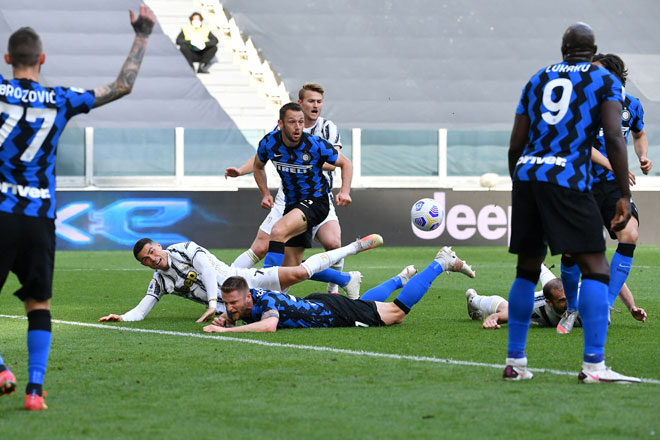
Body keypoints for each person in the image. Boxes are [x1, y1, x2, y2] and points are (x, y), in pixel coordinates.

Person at [0, 5, 156, 410]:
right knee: (39, 305)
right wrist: (141, 35)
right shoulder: (58, 99)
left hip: (0, 212)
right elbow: (121, 86)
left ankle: (1, 368)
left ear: (7, 60)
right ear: (43, 60)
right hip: (38, 217)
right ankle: (34, 392)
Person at [505, 23, 639, 383]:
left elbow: (516, 141)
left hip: (529, 174)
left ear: (563, 49)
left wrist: (516, 179)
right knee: (595, 266)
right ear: (592, 50)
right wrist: (623, 194)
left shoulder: (538, 78)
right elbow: (613, 134)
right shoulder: (603, 80)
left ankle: (515, 363)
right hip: (566, 177)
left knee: (526, 269)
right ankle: (594, 365)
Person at [558, 53, 651, 334]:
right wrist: (613, 162)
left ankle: (604, 305)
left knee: (630, 234)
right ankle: (572, 309)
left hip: (611, 185)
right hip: (580, 181)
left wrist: (643, 156)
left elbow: (639, 134)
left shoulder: (631, 105)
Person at [227, 83, 347, 294]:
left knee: (333, 243)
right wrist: (241, 171)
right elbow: (261, 159)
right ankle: (226, 281)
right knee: (266, 248)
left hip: (318, 194)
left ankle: (333, 288)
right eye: (311, 101)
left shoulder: (325, 130)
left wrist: (309, 163)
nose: (315, 105)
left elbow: (337, 161)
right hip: (288, 197)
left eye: (319, 102)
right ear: (299, 103)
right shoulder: (279, 132)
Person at [98, 234, 381, 323]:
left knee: (300, 272)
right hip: (237, 306)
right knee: (294, 288)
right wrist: (123, 317)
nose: (151, 259)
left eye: (151, 252)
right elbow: (143, 308)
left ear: (158, 246)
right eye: (145, 260)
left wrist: (211, 301)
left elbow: (208, 272)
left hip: (244, 281)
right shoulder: (159, 281)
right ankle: (346, 280)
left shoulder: (183, 248)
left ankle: (353, 249)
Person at [202, 247, 474, 333]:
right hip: (319, 304)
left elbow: (269, 326)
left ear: (248, 295)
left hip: (331, 312)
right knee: (364, 306)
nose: (230, 307)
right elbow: (241, 312)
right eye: (228, 304)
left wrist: (226, 328)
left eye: (233, 303)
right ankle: (399, 280)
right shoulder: (248, 302)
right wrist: (227, 316)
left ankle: (441, 262)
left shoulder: (263, 304)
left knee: (396, 313)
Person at [253, 103, 353, 273]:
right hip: (292, 205)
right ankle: (346, 279)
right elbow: (257, 165)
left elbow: (346, 163)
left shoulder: (314, 144)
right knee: (292, 268)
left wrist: (345, 191)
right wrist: (265, 193)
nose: (298, 127)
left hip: (317, 201)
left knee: (277, 231)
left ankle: (263, 284)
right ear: (281, 124)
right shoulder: (269, 143)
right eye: (292, 122)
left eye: (301, 122)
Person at [466, 265, 646, 329]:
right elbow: (508, 313)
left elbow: (616, 280)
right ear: (549, 303)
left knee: (555, 285)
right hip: (545, 298)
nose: (569, 304)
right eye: (562, 301)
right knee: (508, 307)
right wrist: (494, 318)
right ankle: (473, 298)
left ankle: (540, 266)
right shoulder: (540, 305)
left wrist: (632, 308)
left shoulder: (585, 294)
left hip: (563, 287)